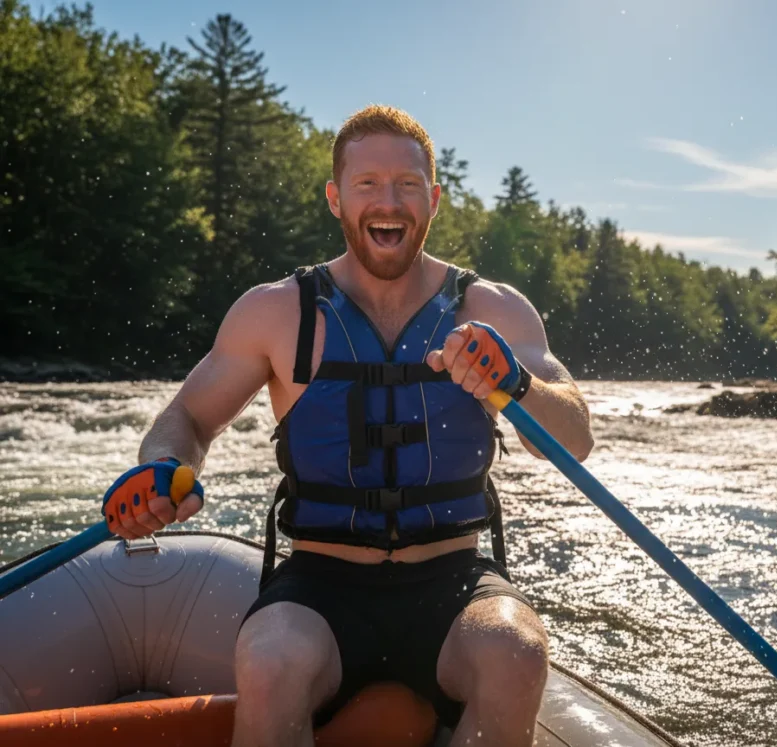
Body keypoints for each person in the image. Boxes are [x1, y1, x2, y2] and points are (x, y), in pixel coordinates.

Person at [99, 104, 594, 747]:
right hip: (320, 586)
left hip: (452, 581)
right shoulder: (277, 312)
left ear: (434, 199)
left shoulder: (491, 308)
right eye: (367, 184)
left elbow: (573, 437)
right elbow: (188, 416)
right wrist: (162, 468)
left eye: (408, 185)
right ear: (336, 198)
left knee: (517, 651)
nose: (388, 201)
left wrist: (518, 384)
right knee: (271, 662)